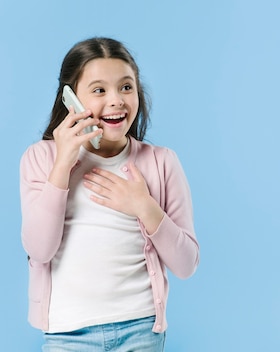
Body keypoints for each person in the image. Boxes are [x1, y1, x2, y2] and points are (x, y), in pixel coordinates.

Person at [19, 37, 200, 351]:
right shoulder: (41, 159)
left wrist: (144, 206)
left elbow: (186, 265)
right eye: (99, 90)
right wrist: (63, 164)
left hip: (142, 329)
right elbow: (39, 250)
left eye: (126, 87)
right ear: (70, 99)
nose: (116, 100)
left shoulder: (162, 162)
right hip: (67, 334)